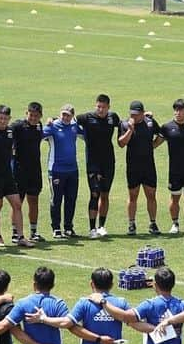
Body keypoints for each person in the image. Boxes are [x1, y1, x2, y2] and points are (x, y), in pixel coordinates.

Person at [0, 105, 33, 248]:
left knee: (17, 204)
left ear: (9, 119)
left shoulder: (11, 131)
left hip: (8, 176)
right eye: (0, 118)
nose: (3, 121)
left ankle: (21, 237)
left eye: (5, 118)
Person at [155, 99, 184, 235]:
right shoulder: (167, 127)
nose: (177, 113)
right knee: (174, 198)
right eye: (176, 110)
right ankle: (175, 224)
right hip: (174, 170)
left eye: (180, 110)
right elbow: (156, 143)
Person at [77, 94, 121, 238]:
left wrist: (145, 116)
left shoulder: (112, 117)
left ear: (108, 107)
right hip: (93, 163)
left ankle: (102, 226)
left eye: (103, 107)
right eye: (98, 107)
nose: (100, 110)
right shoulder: (87, 117)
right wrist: (53, 119)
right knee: (94, 193)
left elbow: (124, 124)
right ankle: (92, 229)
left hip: (108, 162)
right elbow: (70, 119)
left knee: (105, 194)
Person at [118, 100, 161, 236]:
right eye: (132, 114)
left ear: (143, 113)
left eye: (137, 114)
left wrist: (152, 146)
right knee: (133, 196)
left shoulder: (150, 123)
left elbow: (161, 135)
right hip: (133, 167)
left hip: (148, 166)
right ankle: (131, 224)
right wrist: (130, 130)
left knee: (151, 195)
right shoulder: (125, 124)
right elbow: (121, 143)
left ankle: (153, 223)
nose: (134, 117)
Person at [43, 104, 82, 238]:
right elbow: (37, 136)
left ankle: (68, 227)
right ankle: (56, 228)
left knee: (71, 199)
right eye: (63, 114)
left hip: (72, 170)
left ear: (72, 116)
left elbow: (88, 134)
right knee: (56, 199)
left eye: (68, 115)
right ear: (60, 114)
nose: (65, 117)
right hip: (56, 170)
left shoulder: (74, 126)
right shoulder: (52, 126)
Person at [11, 102, 47, 242]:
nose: (33, 118)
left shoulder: (39, 126)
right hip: (19, 170)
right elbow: (4, 129)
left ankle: (34, 231)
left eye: (36, 116)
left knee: (34, 200)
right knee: (17, 203)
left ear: (40, 116)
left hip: (35, 170)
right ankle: (15, 233)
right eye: (31, 115)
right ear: (26, 113)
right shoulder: (18, 126)